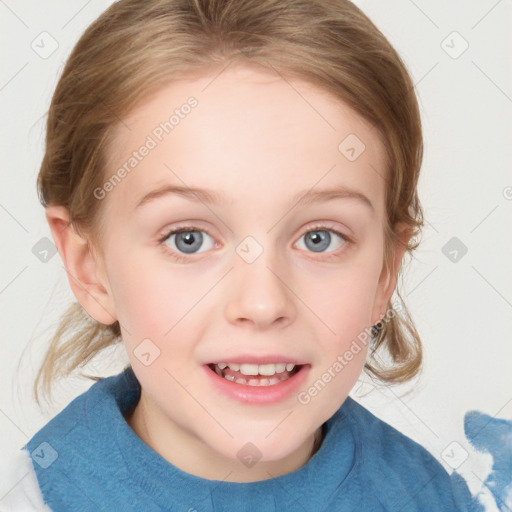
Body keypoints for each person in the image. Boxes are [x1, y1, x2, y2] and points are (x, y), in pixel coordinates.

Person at [0, 0, 483, 510]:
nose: (261, 302)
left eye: (320, 238)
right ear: (89, 267)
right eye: (189, 238)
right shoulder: (31, 498)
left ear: (385, 271)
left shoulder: (436, 497)